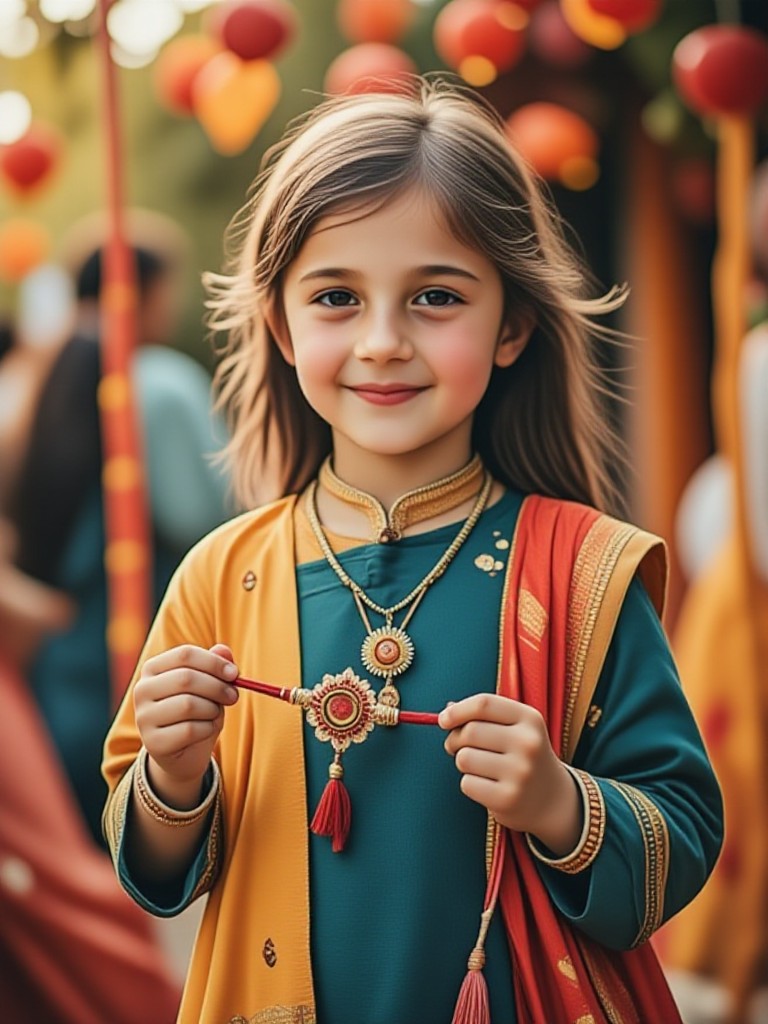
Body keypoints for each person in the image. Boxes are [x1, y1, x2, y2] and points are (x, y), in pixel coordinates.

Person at [101, 79, 723, 1024]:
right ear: (282, 326)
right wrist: (172, 778)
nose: (384, 342)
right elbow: (150, 870)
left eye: (436, 296)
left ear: (512, 325)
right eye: (337, 298)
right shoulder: (221, 577)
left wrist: (561, 803)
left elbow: (683, 836)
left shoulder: (582, 570)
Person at [7, 218, 232, 849]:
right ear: (143, 293)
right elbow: (202, 517)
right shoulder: (156, 383)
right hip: (140, 655)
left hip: (58, 663)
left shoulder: (38, 375)